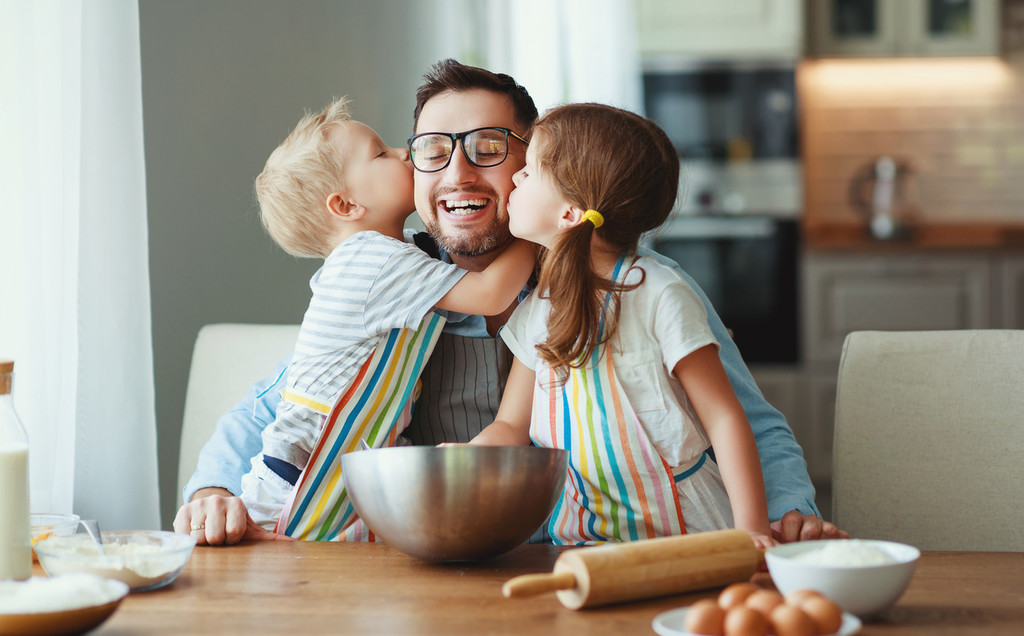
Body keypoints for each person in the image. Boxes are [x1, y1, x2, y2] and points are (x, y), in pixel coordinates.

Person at [174, 59, 847, 546]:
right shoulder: (401, 290)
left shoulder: (643, 288)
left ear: (546, 170)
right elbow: (280, 406)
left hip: (606, 555)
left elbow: (749, 423)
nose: (459, 173)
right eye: (433, 152)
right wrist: (211, 492)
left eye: (491, 149)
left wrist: (786, 514)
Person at [466, 103, 776, 549]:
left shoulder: (659, 293)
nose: (515, 177)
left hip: (689, 536)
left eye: (529, 170)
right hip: (581, 540)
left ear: (570, 213)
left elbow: (725, 417)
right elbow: (511, 427)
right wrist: (466, 459)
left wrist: (752, 532)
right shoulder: (538, 308)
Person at [236, 96, 534, 540]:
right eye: (380, 153)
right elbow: (492, 294)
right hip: (303, 465)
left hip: (352, 455)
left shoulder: (400, 256)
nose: (402, 152)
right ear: (346, 205)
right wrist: (542, 228)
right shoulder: (369, 259)